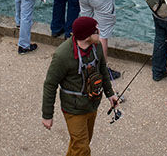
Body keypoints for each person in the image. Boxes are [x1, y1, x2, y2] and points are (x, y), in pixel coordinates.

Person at [40, 16, 119, 156]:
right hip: (73, 109)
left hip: (92, 104)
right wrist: (47, 115)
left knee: (81, 143)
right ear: (87, 36)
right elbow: (50, 85)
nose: (99, 31)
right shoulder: (62, 55)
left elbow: (102, 70)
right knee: (82, 148)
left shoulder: (97, 46)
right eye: (95, 30)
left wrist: (110, 94)